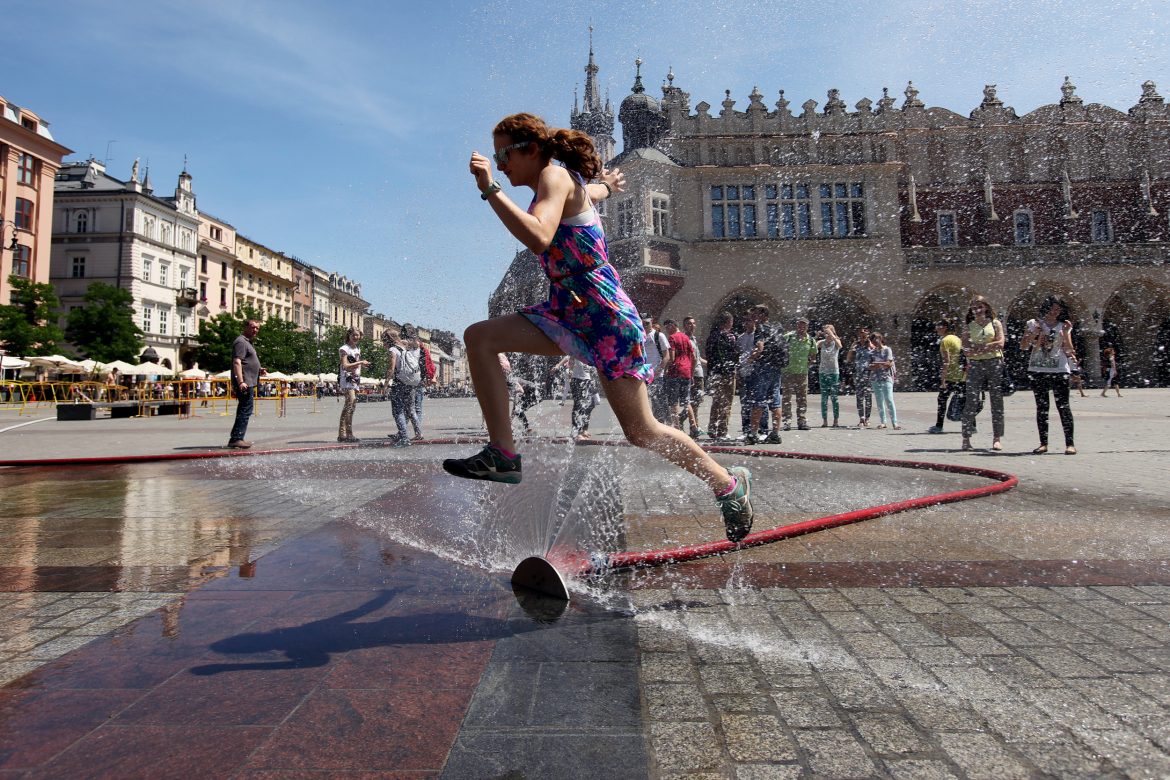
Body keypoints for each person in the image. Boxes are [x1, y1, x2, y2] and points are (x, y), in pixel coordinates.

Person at [446, 112, 754, 542]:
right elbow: (590, 192)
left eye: (504, 156)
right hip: (568, 311)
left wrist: (490, 189)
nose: (500, 165)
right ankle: (503, 454)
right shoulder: (561, 181)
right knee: (480, 337)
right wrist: (606, 186)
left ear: (531, 150)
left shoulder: (553, 176)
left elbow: (538, 236)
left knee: (642, 431)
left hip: (605, 318)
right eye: (496, 160)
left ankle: (728, 484)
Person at [1021, 296, 1077, 455]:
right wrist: (1034, 333)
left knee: (1063, 406)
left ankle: (1070, 444)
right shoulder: (1033, 324)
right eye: (1052, 308)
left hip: (1059, 370)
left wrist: (1065, 333)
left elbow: (1069, 350)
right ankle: (1043, 443)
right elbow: (1024, 346)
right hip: (1038, 369)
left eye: (1058, 309)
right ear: (1046, 308)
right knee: (1042, 407)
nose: (1055, 312)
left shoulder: (1063, 326)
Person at [961, 295, 1005, 452]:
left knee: (996, 400)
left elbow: (1001, 343)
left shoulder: (995, 323)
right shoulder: (969, 326)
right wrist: (983, 347)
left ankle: (997, 438)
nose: (977, 310)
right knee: (971, 400)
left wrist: (981, 347)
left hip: (994, 363)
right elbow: (965, 348)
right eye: (974, 307)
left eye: (979, 306)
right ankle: (966, 438)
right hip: (975, 364)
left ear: (986, 307)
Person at [745, 304, 786, 445]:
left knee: (758, 401)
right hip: (776, 368)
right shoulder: (776, 328)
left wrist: (751, 358)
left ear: (762, 315)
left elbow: (760, 347)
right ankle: (775, 434)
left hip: (763, 369)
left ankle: (753, 434)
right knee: (775, 402)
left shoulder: (760, 328)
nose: (753, 317)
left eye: (755, 314)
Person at [228, 318, 264, 449]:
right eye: (253, 327)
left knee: (244, 409)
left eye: (257, 328)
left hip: (248, 381)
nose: (255, 330)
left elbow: (245, 362)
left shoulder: (247, 342)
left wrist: (259, 369)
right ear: (246, 327)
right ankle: (237, 438)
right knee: (245, 410)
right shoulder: (241, 342)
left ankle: (236, 437)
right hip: (245, 382)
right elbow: (237, 362)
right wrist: (241, 381)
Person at [705, 311, 741, 440]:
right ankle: (722, 431)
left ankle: (712, 428)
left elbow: (708, 354)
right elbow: (735, 354)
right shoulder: (730, 337)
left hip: (715, 373)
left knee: (716, 401)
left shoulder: (712, 336)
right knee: (726, 402)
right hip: (727, 373)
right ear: (728, 322)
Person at [387, 325, 424, 446]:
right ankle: (418, 433)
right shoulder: (409, 346)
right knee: (411, 410)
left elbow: (391, 369)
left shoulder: (393, 349)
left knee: (398, 411)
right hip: (412, 381)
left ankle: (404, 437)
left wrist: (386, 383)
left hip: (400, 382)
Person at [661, 319, 699, 435]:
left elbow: (671, 358)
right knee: (686, 401)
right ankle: (694, 426)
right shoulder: (686, 337)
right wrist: (691, 373)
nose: (667, 330)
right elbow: (694, 357)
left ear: (673, 326)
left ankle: (677, 429)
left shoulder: (672, 338)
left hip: (675, 373)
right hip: (686, 372)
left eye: (667, 327)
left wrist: (665, 369)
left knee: (673, 402)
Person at [781, 316, 817, 431]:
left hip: (802, 373)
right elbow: (779, 348)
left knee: (802, 398)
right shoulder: (788, 337)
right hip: (788, 372)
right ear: (796, 325)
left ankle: (802, 421)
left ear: (807, 327)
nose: (801, 327)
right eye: (799, 324)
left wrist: (808, 363)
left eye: (804, 325)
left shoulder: (811, 340)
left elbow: (813, 355)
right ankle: (787, 422)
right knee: (786, 398)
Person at [928, 318, 963, 433]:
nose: (936, 328)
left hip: (950, 376)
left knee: (942, 400)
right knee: (964, 400)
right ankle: (972, 426)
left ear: (945, 327)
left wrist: (943, 379)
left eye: (938, 326)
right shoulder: (957, 339)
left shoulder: (945, 340)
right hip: (961, 375)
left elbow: (946, 361)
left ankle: (939, 426)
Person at [555, 355, 600, 439]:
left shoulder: (588, 354)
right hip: (577, 380)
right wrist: (558, 365)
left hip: (587, 381)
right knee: (578, 405)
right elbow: (567, 357)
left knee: (591, 404)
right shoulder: (577, 351)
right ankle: (576, 432)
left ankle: (584, 429)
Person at [338, 327, 368, 443]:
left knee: (349, 406)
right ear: (349, 335)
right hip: (347, 379)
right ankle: (348, 434)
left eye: (358, 335)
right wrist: (360, 362)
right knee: (351, 404)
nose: (356, 337)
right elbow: (345, 365)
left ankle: (342, 434)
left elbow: (355, 364)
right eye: (353, 335)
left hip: (355, 379)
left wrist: (362, 365)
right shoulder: (344, 349)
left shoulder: (357, 348)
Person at [641, 313, 671, 423]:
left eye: (647, 323)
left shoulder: (659, 335)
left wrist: (659, 369)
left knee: (658, 401)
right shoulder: (640, 336)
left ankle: (661, 423)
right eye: (642, 323)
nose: (645, 326)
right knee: (643, 402)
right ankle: (649, 424)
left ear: (652, 321)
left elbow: (667, 356)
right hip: (642, 374)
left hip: (656, 374)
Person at [868, 332, 899, 429]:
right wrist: (880, 364)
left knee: (889, 399)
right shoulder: (872, 352)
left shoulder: (887, 349)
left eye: (876, 339)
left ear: (880, 339)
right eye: (872, 340)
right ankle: (883, 422)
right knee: (879, 401)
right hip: (875, 378)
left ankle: (895, 422)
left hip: (886, 378)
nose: (875, 342)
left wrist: (877, 364)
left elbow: (889, 364)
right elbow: (869, 366)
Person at [844, 326, 874, 428]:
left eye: (864, 333)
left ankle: (867, 418)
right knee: (859, 397)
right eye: (860, 333)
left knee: (868, 397)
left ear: (868, 335)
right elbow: (848, 359)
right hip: (858, 374)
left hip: (868, 374)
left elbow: (875, 355)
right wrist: (852, 347)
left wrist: (870, 344)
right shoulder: (856, 346)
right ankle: (861, 418)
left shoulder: (871, 346)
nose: (862, 335)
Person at [682, 316, 707, 437]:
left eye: (693, 323)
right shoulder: (685, 339)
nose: (692, 325)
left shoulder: (694, 339)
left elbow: (698, 358)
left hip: (698, 373)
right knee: (694, 401)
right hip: (693, 374)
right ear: (684, 326)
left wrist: (710, 363)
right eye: (689, 324)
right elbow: (690, 359)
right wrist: (690, 375)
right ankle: (691, 425)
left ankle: (694, 426)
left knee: (696, 401)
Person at [816, 324, 842, 427]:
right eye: (825, 333)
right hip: (823, 372)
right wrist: (816, 336)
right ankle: (825, 420)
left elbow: (840, 346)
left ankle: (836, 420)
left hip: (834, 372)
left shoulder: (836, 341)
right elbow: (813, 347)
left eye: (828, 333)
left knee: (834, 397)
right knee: (824, 398)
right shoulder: (822, 343)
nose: (826, 335)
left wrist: (832, 334)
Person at [415, 339, 437, 439]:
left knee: (410, 408)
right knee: (416, 408)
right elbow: (430, 365)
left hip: (415, 381)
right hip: (420, 380)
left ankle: (407, 432)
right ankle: (416, 432)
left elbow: (428, 365)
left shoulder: (418, 352)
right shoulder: (424, 351)